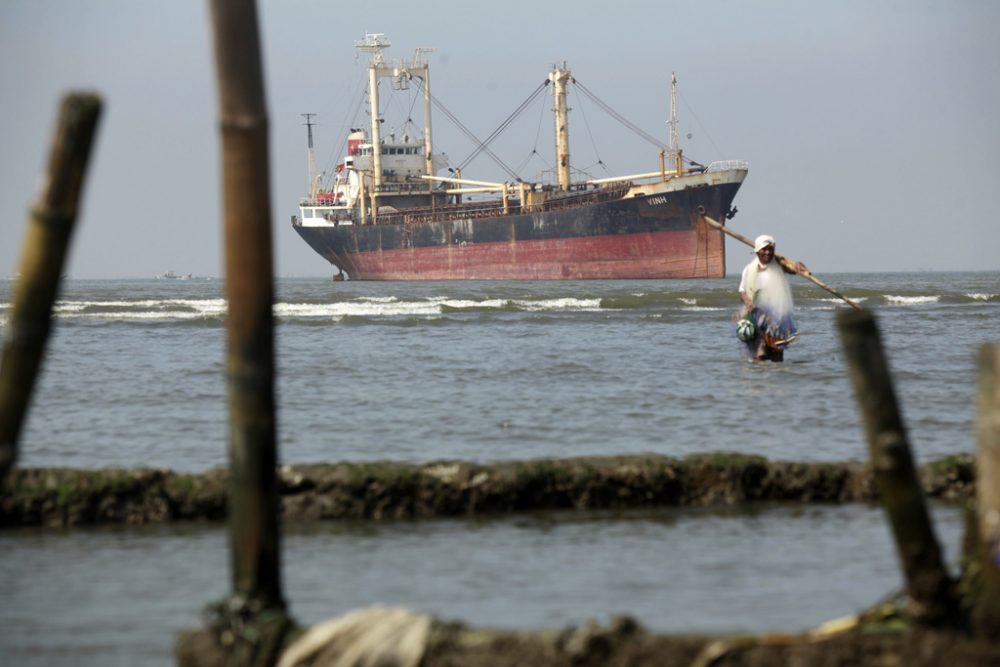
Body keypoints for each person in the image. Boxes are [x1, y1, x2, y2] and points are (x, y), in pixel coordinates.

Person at [738, 234, 807, 362]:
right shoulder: (749, 270)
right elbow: (742, 292)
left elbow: (793, 269)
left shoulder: (779, 265)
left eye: (770, 249)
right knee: (760, 354)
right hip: (757, 317)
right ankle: (759, 380)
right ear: (757, 251)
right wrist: (749, 303)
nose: (767, 252)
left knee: (777, 354)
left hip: (777, 319)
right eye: (764, 249)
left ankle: (776, 379)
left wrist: (799, 266)